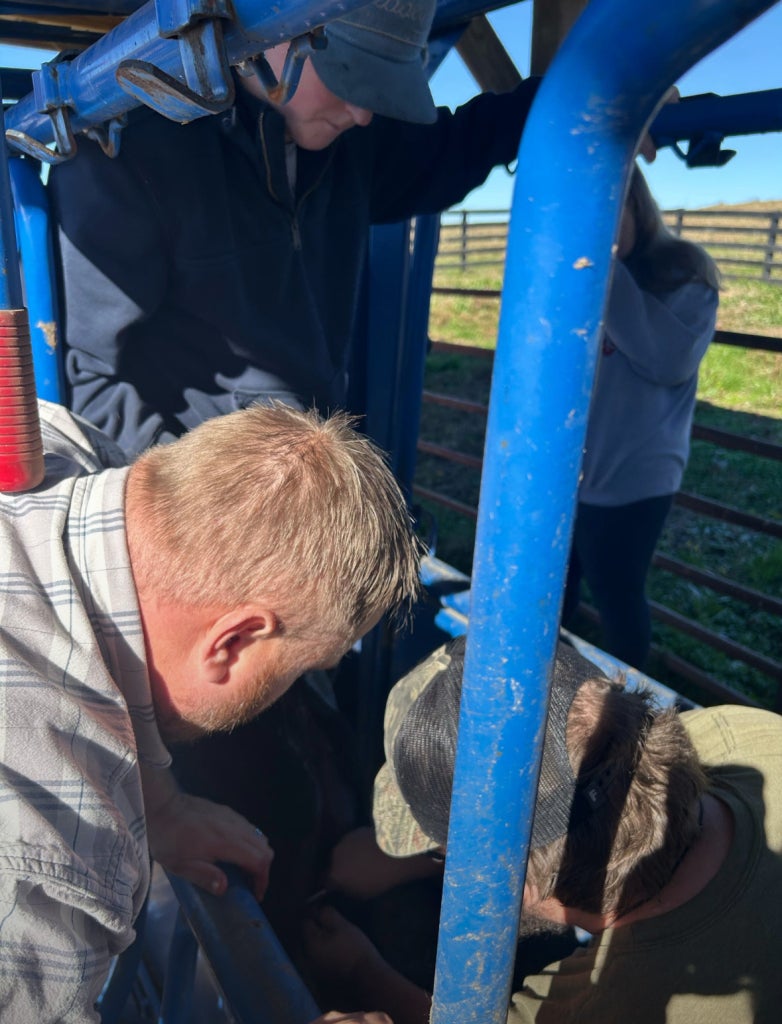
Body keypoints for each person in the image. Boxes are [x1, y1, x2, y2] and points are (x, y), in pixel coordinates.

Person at [0, 397, 421, 1022]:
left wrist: (160, 801)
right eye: (300, 668)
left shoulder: (59, 441)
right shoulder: (46, 878)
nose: (295, 686)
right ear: (233, 641)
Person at [49, 0, 541, 456]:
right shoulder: (123, 148)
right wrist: (204, 514)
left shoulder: (349, 146)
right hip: (212, 495)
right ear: (275, 34)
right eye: (351, 75)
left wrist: (579, 92)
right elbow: (87, 385)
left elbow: (452, 150)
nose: (363, 112)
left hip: (312, 469)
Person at [303, 634, 782, 1024]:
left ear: (522, 885)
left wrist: (360, 968)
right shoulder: (739, 732)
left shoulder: (602, 1005)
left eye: (446, 852)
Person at [562, 165, 720, 669]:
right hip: (570, 471)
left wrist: (604, 275)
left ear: (636, 205)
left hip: (635, 478)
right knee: (551, 587)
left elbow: (668, 360)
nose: (600, 227)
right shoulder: (577, 274)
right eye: (589, 215)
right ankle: (549, 688)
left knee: (617, 596)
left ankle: (625, 712)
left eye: (612, 210)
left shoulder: (685, 273)